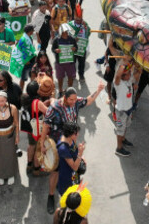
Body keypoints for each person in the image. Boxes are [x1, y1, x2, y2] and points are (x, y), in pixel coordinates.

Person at [42, 84, 105, 214]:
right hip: (58, 144)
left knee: (73, 169)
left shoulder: (75, 102)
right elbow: (45, 125)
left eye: (75, 99)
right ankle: (51, 195)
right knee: (56, 171)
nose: (73, 102)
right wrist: (43, 143)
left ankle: (73, 196)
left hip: (72, 142)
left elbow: (88, 100)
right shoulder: (54, 108)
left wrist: (98, 90)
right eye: (71, 100)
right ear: (65, 97)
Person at [56, 121, 85, 195]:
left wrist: (81, 157)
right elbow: (74, 167)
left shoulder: (70, 139)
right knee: (68, 197)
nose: (77, 135)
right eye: (75, 133)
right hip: (67, 177)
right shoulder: (63, 149)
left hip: (73, 175)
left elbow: (74, 148)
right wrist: (80, 154)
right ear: (70, 134)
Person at [52, 24, 78, 95]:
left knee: (71, 76)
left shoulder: (72, 39)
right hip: (60, 62)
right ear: (60, 32)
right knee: (60, 77)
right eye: (63, 32)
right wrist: (56, 50)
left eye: (66, 31)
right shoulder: (56, 40)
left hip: (70, 62)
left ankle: (69, 90)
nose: (65, 33)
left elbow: (76, 48)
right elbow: (53, 49)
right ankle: (60, 90)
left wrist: (74, 49)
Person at [68, 12, 90, 82]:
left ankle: (81, 75)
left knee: (82, 62)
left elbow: (88, 33)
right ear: (74, 18)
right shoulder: (70, 24)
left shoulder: (84, 24)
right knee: (72, 62)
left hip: (82, 47)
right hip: (73, 47)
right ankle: (73, 74)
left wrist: (86, 28)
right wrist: (74, 38)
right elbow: (68, 35)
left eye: (80, 20)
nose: (78, 21)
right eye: (77, 20)